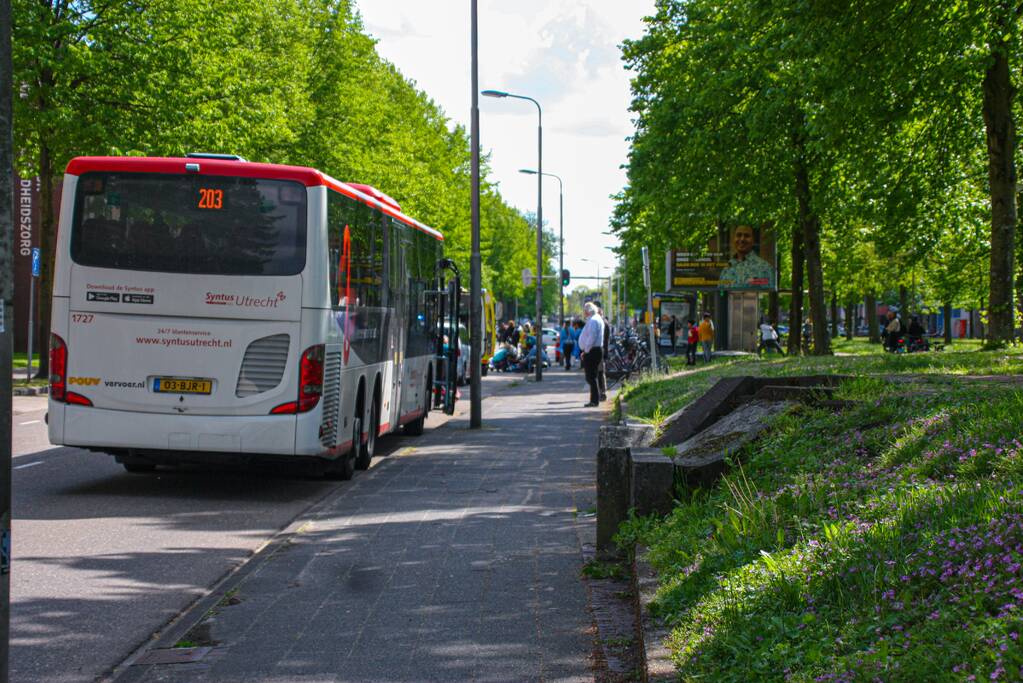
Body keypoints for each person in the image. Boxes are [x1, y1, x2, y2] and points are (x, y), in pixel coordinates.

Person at [718, 224, 776, 289]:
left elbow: (769, 297)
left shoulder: (765, 268)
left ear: (753, 240)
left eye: (746, 236)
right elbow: (720, 295)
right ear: (733, 239)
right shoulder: (726, 270)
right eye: (739, 235)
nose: (742, 239)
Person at [578, 302, 606, 407]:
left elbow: (591, 337)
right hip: (595, 350)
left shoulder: (594, 320)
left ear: (588, 311)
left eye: (584, 310)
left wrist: (586, 350)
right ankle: (594, 399)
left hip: (592, 350)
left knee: (590, 376)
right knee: (592, 376)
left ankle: (594, 400)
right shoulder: (596, 319)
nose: (584, 313)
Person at [594, 301, 610, 402]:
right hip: (601, 350)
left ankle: (602, 393)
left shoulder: (602, 322)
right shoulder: (603, 322)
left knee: (599, 373)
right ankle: (601, 392)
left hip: (600, 350)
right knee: (599, 373)